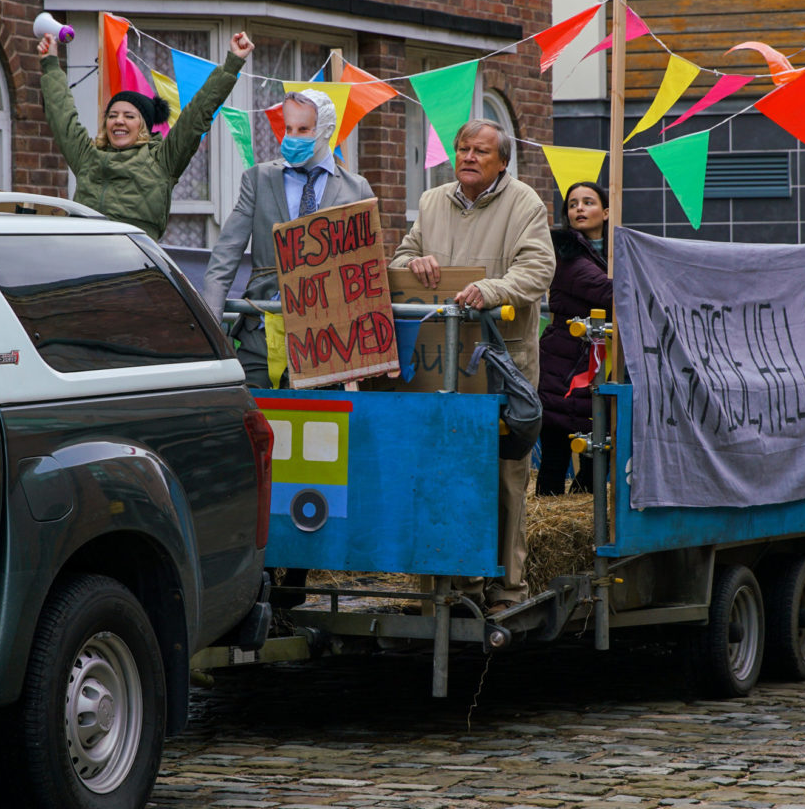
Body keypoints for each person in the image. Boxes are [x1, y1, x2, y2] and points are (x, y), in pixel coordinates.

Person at [391, 118, 555, 611]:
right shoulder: (431, 202)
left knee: (504, 476)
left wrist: (491, 289)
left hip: (501, 364)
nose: (467, 157)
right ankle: (449, 590)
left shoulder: (525, 203)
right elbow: (401, 260)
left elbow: (538, 269)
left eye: (480, 151)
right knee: (444, 471)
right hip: (440, 367)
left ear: (502, 161)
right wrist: (412, 265)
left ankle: (506, 590)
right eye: (462, 149)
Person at [203, 89, 374, 387]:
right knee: (255, 418)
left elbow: (369, 269)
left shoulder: (355, 189)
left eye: (303, 129)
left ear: (326, 131)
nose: (292, 137)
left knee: (318, 426)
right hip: (262, 331)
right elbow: (225, 255)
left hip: (327, 338)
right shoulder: (259, 179)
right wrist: (209, 325)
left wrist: (369, 343)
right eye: (289, 128)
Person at [37, 29, 253, 238]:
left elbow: (197, 115)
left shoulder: (162, 160)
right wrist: (50, 64)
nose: (119, 120)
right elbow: (62, 117)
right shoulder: (88, 156)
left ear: (144, 126)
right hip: (87, 249)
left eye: (129, 116)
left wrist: (232, 64)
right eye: (112, 115)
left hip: (133, 255)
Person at [536, 181, 613, 496]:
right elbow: (609, 292)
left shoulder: (612, 253)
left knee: (598, 450)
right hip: (565, 364)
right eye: (573, 204)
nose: (579, 208)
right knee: (557, 449)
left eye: (588, 202)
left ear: (606, 212)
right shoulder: (568, 256)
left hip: (593, 362)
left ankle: (585, 514)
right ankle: (552, 513)